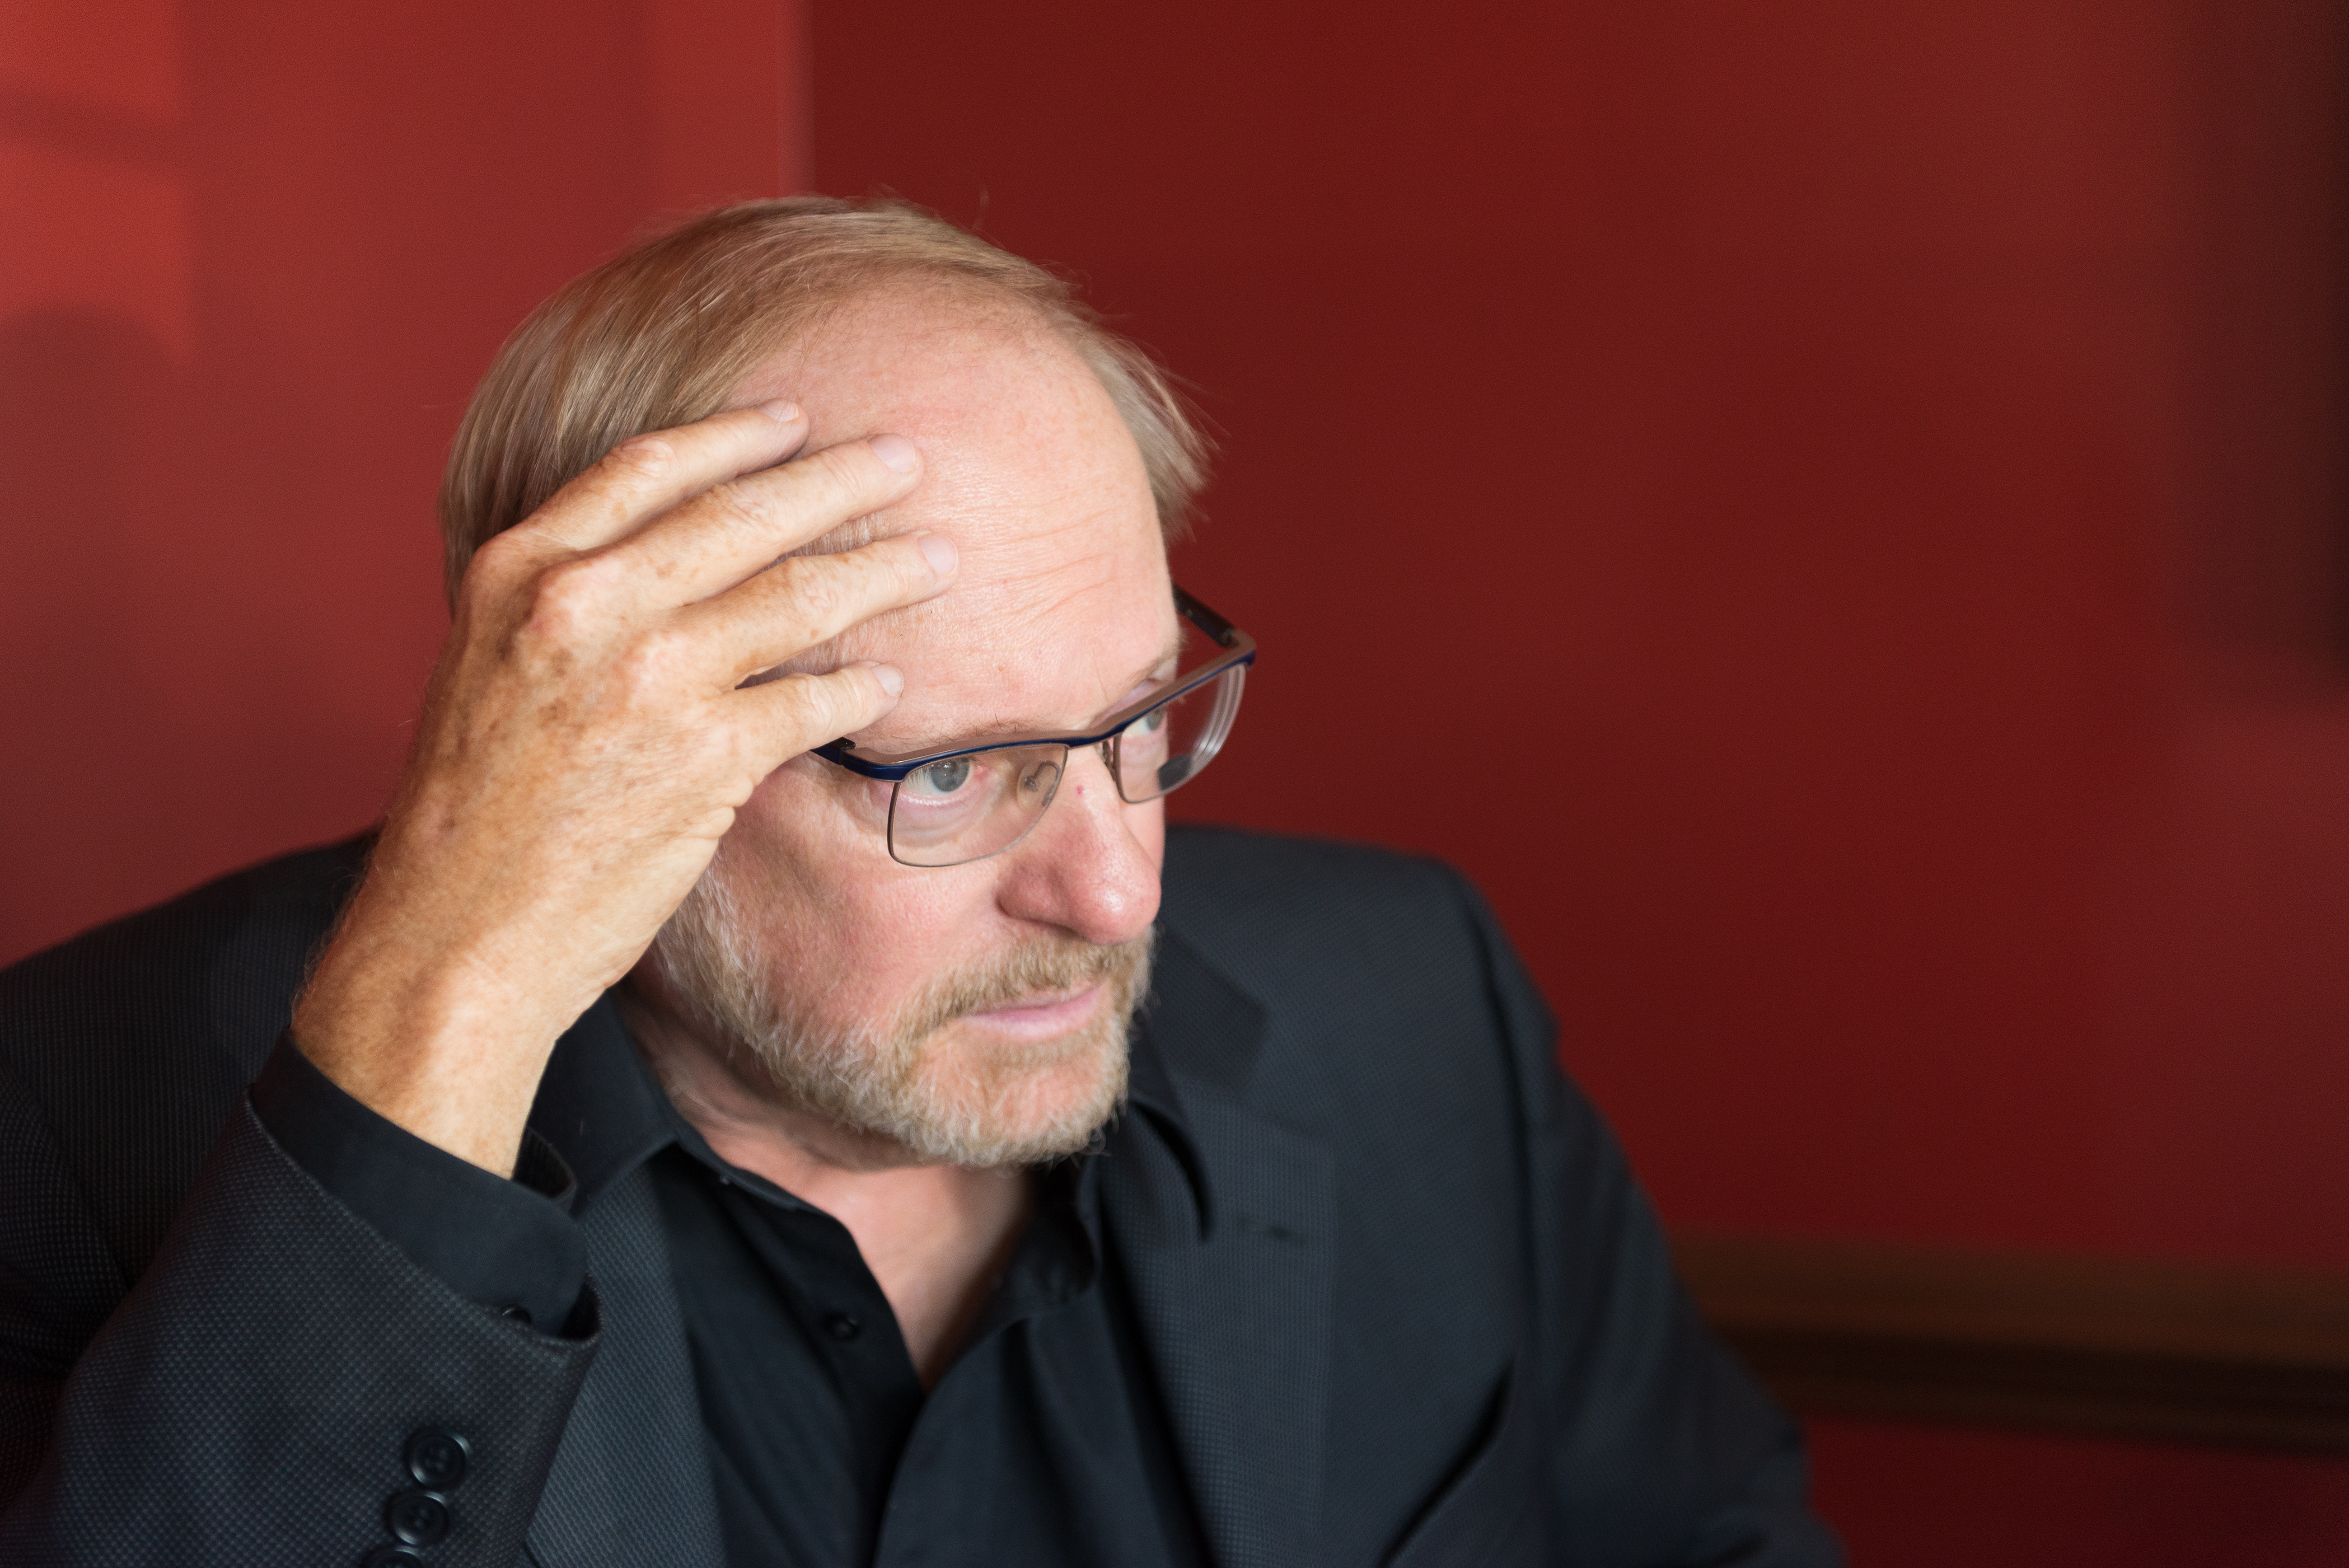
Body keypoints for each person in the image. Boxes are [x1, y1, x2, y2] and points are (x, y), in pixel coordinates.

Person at [0, 197, 1841, 1568]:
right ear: (594, 750)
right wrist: (454, 985)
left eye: (1141, 721)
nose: (1114, 893)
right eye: (955, 772)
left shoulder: (1411, 998)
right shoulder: (90, 1112)